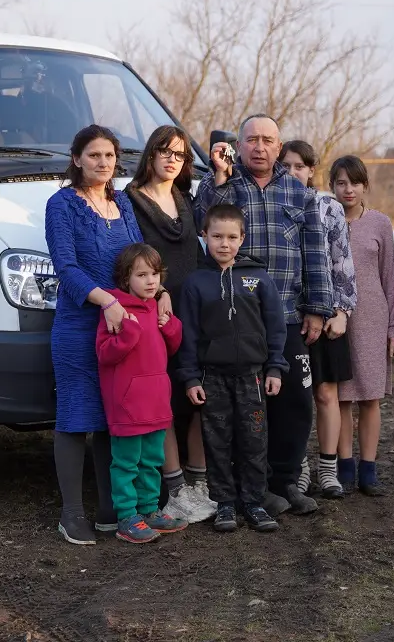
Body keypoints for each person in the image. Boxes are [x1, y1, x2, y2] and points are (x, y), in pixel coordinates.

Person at [196, 115, 335, 518]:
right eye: (251, 140)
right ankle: (248, 487)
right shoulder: (223, 184)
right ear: (238, 146)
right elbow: (200, 222)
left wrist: (317, 308)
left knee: (294, 400)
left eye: (268, 140)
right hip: (234, 317)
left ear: (279, 147)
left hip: (289, 315)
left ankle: (285, 482)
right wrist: (218, 179)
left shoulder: (299, 192)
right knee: (243, 406)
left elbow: (316, 252)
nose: (259, 147)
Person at [44, 124, 146, 545]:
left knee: (111, 418)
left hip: (120, 327)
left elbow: (140, 257)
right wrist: (106, 301)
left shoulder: (122, 202)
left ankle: (110, 509)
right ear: (76, 159)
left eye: (109, 156)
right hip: (79, 324)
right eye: (94, 156)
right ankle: (71, 513)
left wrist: (157, 295)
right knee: (74, 417)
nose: (103, 163)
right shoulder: (62, 205)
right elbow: (65, 268)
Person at [124, 126, 216, 524]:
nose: (172, 159)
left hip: (191, 311)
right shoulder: (129, 201)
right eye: (165, 151)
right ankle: (175, 489)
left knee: (196, 396)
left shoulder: (185, 198)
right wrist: (156, 292)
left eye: (179, 154)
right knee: (163, 405)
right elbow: (130, 260)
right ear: (150, 154)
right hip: (155, 315)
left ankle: (199, 486)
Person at [178, 204, 286, 533]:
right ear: (204, 236)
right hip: (213, 378)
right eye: (217, 236)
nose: (224, 244)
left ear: (242, 239)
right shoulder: (196, 283)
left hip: (253, 376)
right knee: (217, 440)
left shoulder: (259, 278)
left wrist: (275, 368)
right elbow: (189, 335)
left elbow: (275, 326)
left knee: (254, 440)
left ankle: (253, 501)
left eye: (231, 237)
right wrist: (191, 377)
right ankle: (224, 502)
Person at [96, 243, 190, 543]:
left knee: (151, 459)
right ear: (126, 279)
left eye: (155, 274)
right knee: (126, 462)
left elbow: (171, 349)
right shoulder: (115, 311)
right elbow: (104, 354)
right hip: (127, 404)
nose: (151, 281)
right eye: (142, 275)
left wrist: (171, 327)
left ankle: (150, 510)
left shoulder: (157, 307)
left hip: (156, 401)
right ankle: (126, 516)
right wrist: (128, 333)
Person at [279, 140, 357, 499]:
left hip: (325, 316)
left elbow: (342, 263)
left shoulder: (328, 206)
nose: (293, 172)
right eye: (288, 165)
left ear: (312, 170)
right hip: (288, 315)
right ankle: (298, 467)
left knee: (326, 394)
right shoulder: (273, 202)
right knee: (293, 396)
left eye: (300, 166)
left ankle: (328, 469)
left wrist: (341, 311)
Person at [329, 155, 394, 496]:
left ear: (365, 186)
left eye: (354, 182)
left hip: (373, 316)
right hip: (337, 319)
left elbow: (390, 277)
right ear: (332, 187)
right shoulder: (323, 221)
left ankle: (368, 469)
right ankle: (343, 467)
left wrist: (393, 328)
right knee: (341, 396)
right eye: (341, 183)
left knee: (370, 397)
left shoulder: (380, 224)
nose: (348, 189)